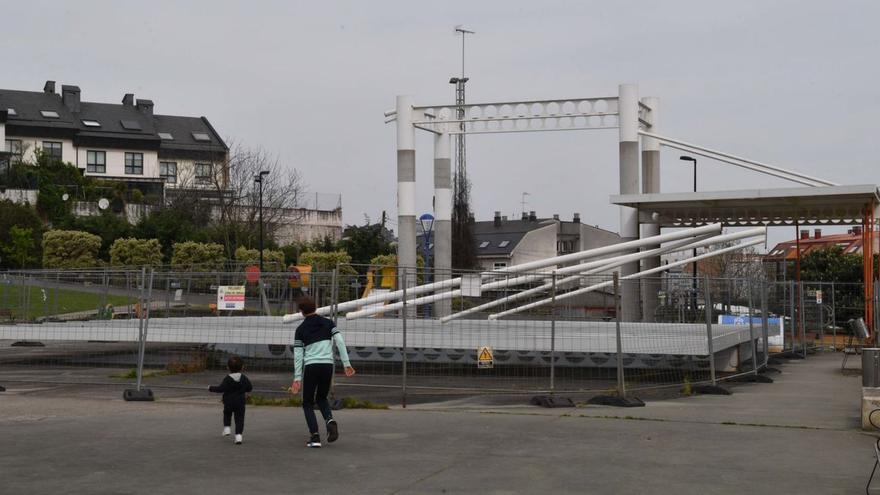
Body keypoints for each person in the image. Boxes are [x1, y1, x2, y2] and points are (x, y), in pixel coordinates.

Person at [290, 296, 355, 448]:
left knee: (307, 402)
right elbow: (339, 341)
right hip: (327, 365)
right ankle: (330, 421)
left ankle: (315, 437)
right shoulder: (328, 323)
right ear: (316, 307)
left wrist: (297, 378)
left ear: (301, 312)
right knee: (322, 397)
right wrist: (346, 364)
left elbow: (298, 355)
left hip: (311, 366)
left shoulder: (300, 330)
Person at [209, 355, 253, 445]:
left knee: (227, 413)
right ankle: (238, 436)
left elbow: (221, 388)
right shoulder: (244, 378)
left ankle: (227, 428)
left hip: (228, 401)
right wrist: (245, 391)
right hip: (240, 402)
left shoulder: (227, 379)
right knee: (239, 419)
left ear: (228, 367)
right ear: (242, 367)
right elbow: (249, 387)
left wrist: (210, 388)